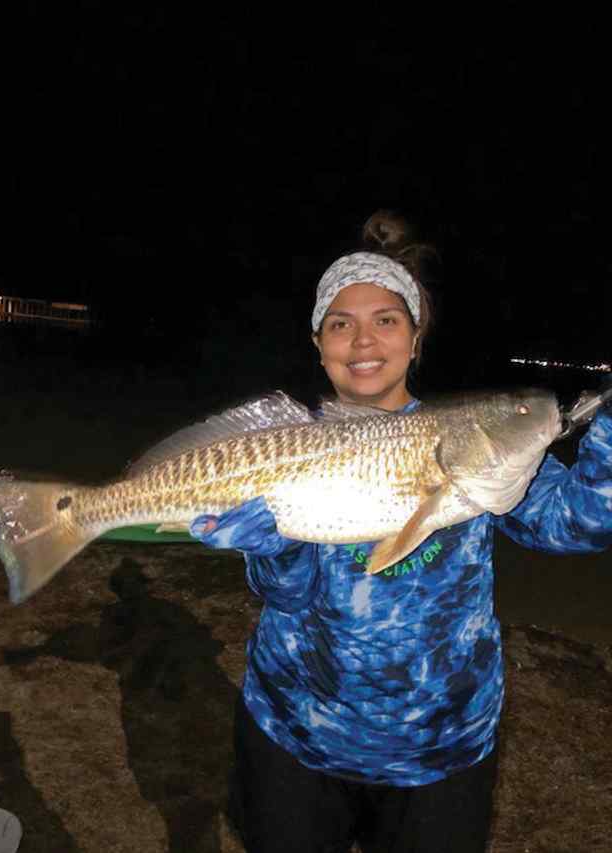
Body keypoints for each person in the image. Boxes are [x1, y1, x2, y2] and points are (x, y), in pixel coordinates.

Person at [188, 210, 612, 853]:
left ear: (415, 340)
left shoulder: (474, 440)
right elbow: (287, 596)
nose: (363, 341)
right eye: (341, 324)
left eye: (386, 321)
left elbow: (578, 525)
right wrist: (274, 550)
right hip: (297, 734)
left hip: (441, 749)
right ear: (318, 343)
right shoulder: (281, 449)